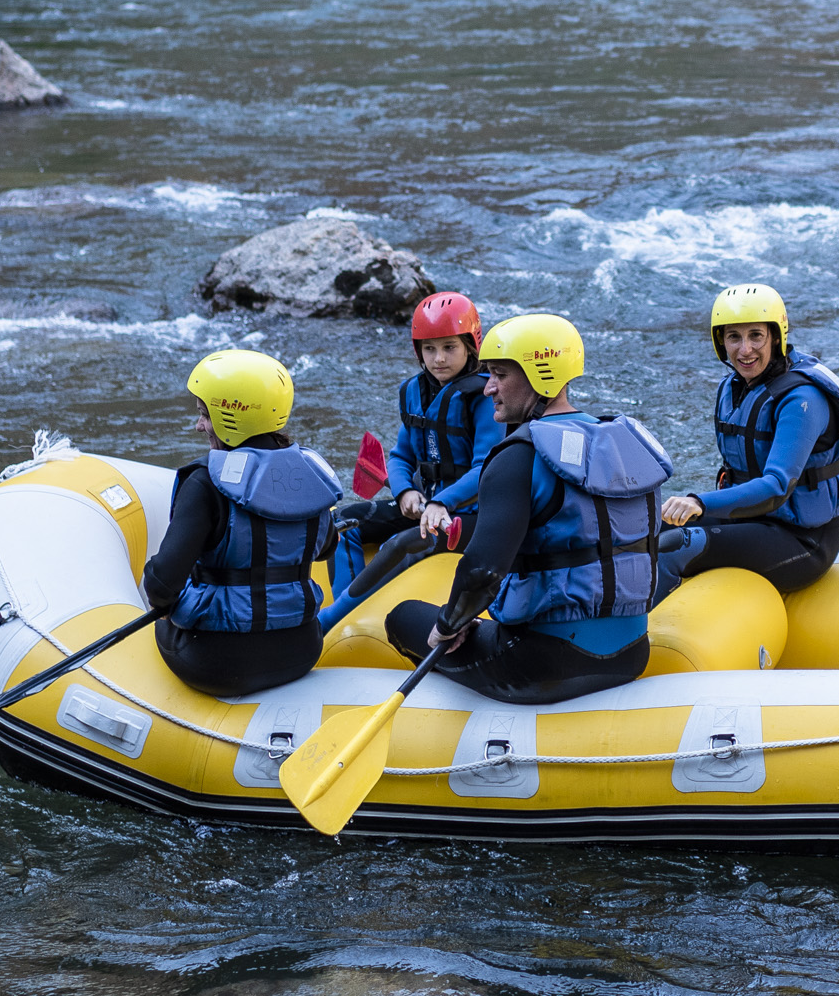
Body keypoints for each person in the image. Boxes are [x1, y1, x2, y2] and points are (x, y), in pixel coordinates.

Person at [389, 312, 660, 705]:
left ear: (540, 378)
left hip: (545, 664)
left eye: (500, 375)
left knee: (403, 616)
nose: (488, 388)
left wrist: (450, 625)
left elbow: (481, 571)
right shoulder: (619, 442)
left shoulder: (517, 455)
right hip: (633, 654)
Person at [143, 348, 341, 697]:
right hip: (302, 650)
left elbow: (161, 585)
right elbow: (326, 548)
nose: (199, 425)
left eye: (205, 414)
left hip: (217, 662)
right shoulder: (309, 476)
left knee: (162, 625)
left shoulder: (205, 483)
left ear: (230, 417)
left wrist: (168, 601)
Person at [654, 283, 839, 595]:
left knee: (673, 547)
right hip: (750, 522)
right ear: (721, 341)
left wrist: (699, 502)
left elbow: (776, 487)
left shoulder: (802, 400)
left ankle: (644, 642)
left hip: (803, 540)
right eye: (734, 336)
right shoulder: (734, 387)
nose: (745, 349)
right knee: (649, 531)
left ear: (776, 336)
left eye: (756, 336)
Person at [330, 292, 502, 603]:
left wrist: (442, 503)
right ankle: (346, 605)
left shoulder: (485, 398)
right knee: (342, 525)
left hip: (470, 514)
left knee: (398, 545)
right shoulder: (414, 392)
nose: (439, 358)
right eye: (430, 348)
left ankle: (335, 617)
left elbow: (486, 470)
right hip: (426, 503)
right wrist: (404, 491)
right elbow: (401, 456)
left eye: (450, 347)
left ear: (470, 346)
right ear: (418, 351)